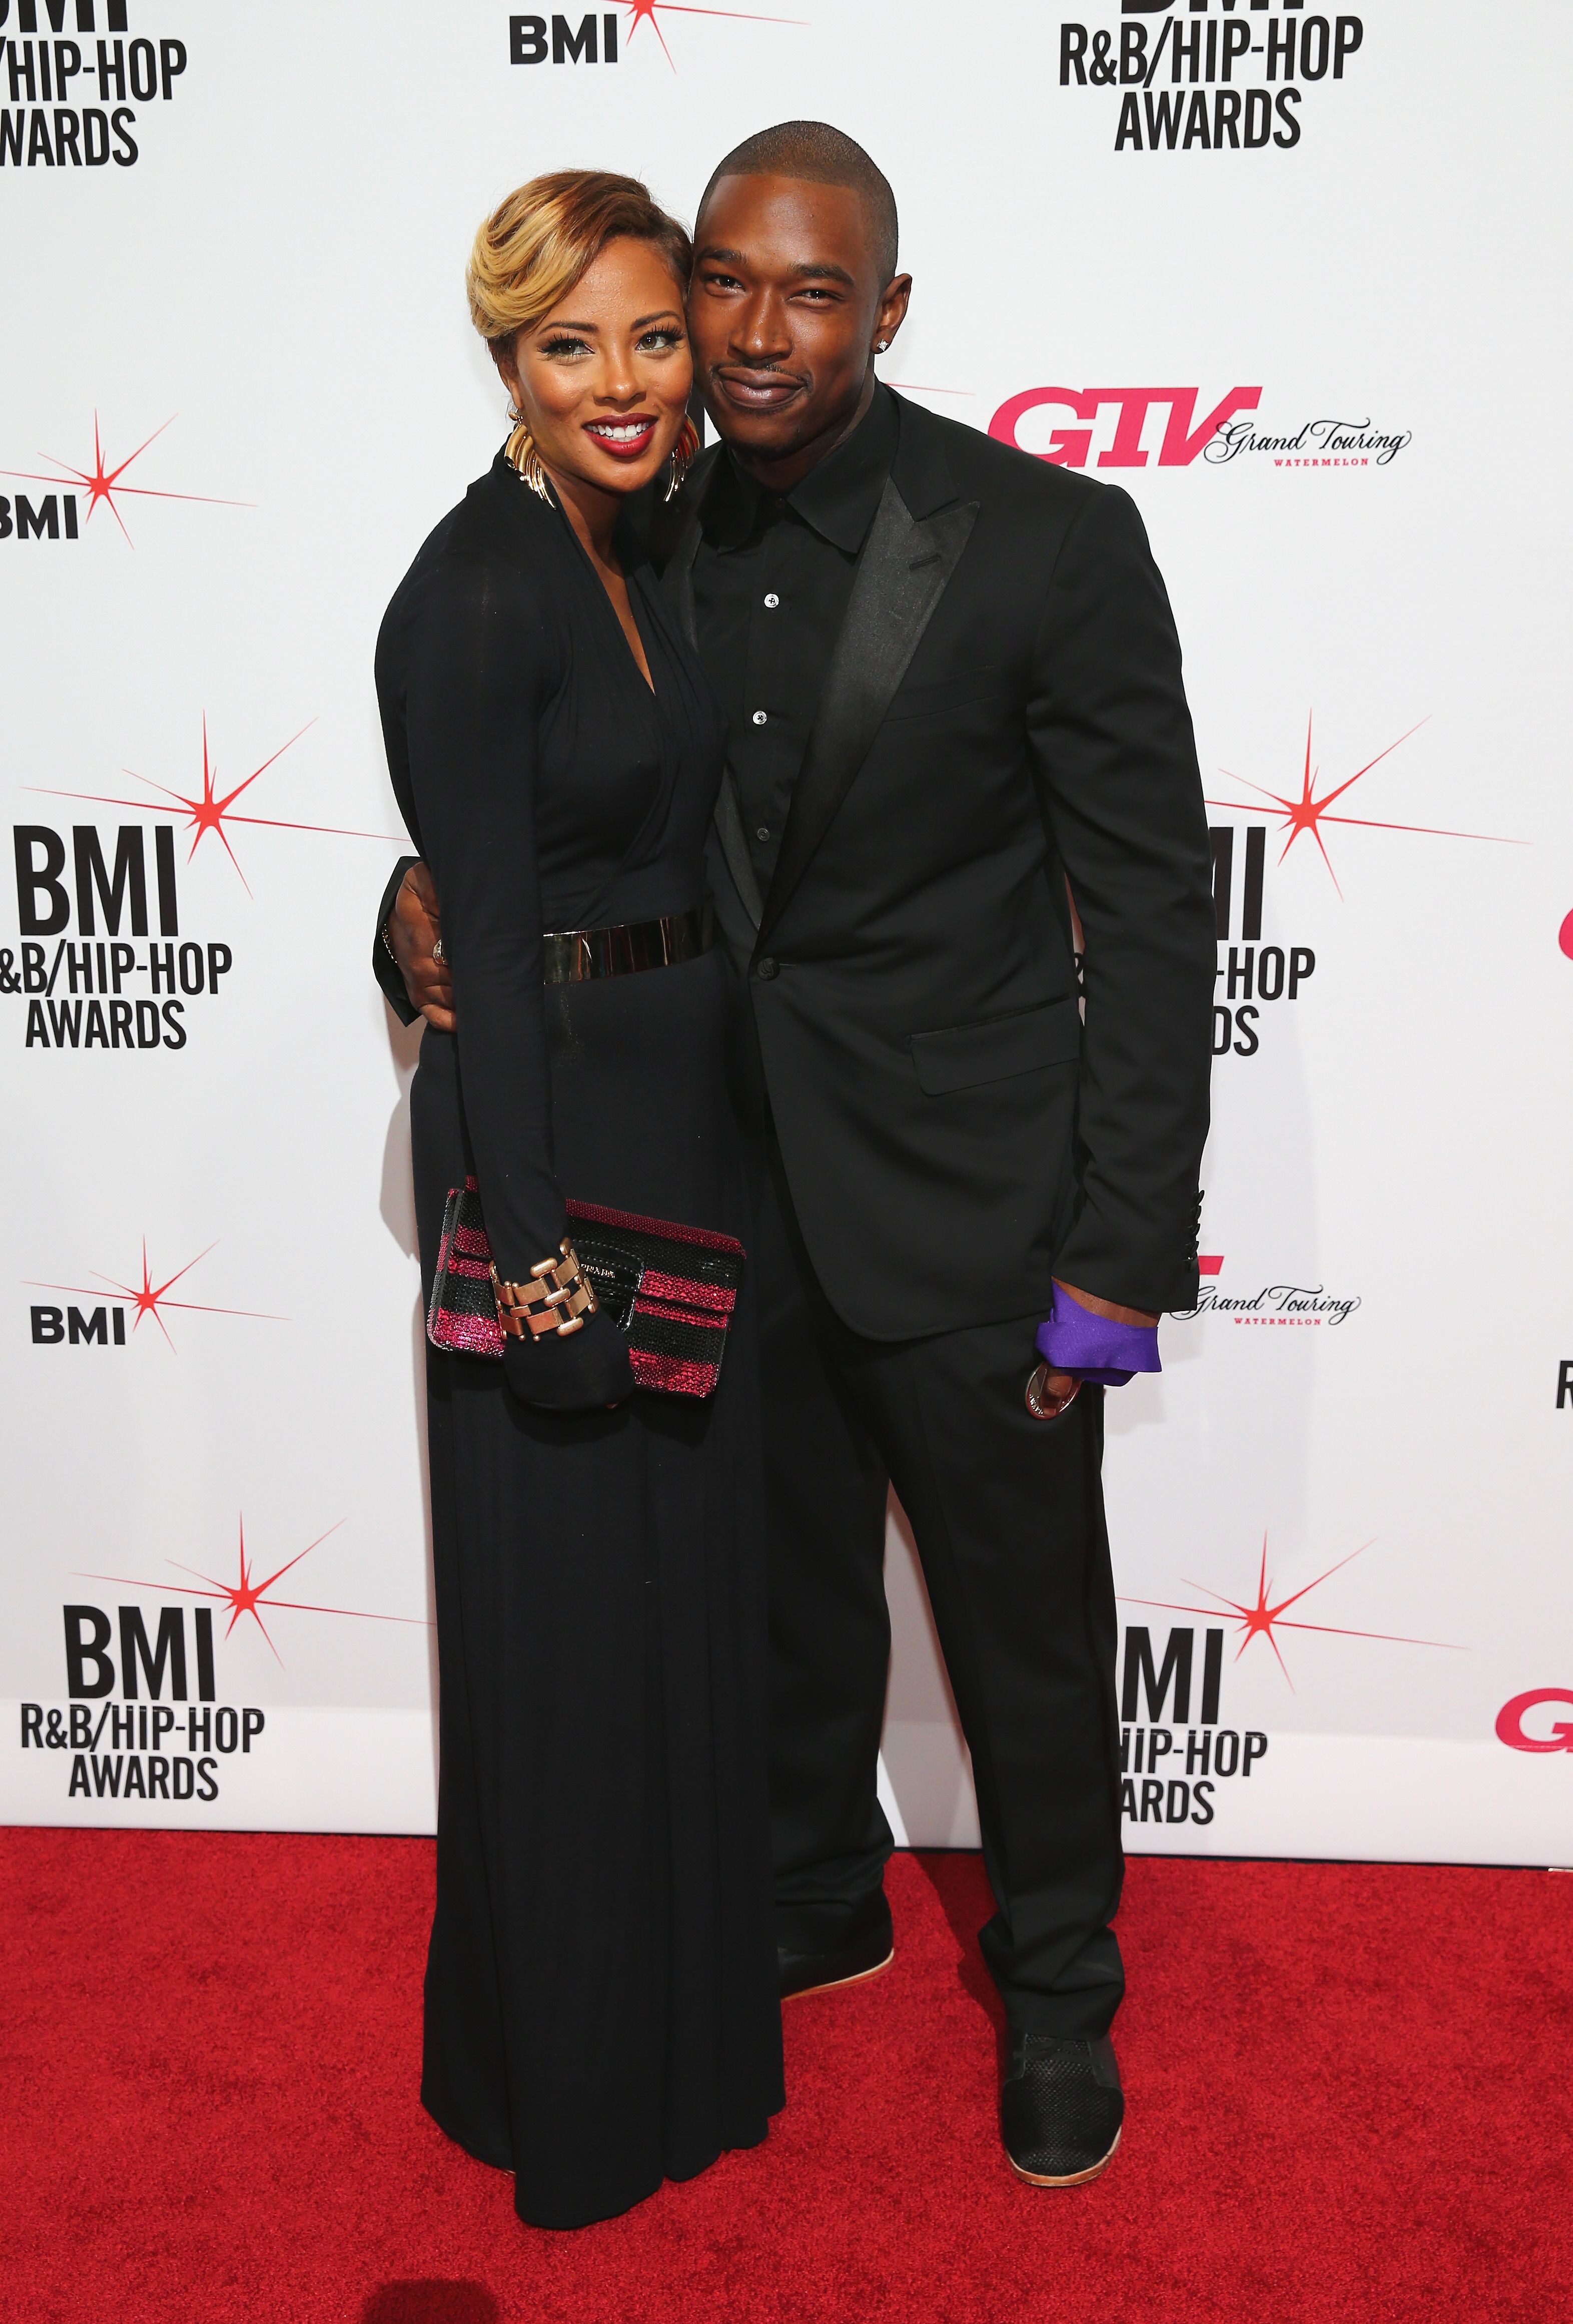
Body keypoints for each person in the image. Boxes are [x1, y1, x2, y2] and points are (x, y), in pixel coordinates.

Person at [377, 125, 1215, 2189]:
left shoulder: (1045, 540)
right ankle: (817, 1893)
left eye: (809, 292)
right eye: (722, 285)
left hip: (967, 1211)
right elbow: (554, 814)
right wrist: (403, 920)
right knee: (780, 1610)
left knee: (1019, 1624)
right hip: (728, 1196)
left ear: (891, 311)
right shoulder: (636, 523)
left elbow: (1156, 914)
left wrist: (1118, 1258)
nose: (750, 336)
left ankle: (1062, 1995)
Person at [372, 169, 782, 2231]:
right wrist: (532, 1263)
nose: (623, 382)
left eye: (647, 336)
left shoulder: (656, 539)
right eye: (570, 347)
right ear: (507, 363)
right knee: (569, 1654)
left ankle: (696, 2049)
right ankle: (572, 2092)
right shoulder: (474, 590)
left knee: (677, 1631)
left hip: (689, 1139)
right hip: (560, 1165)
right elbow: (486, 937)